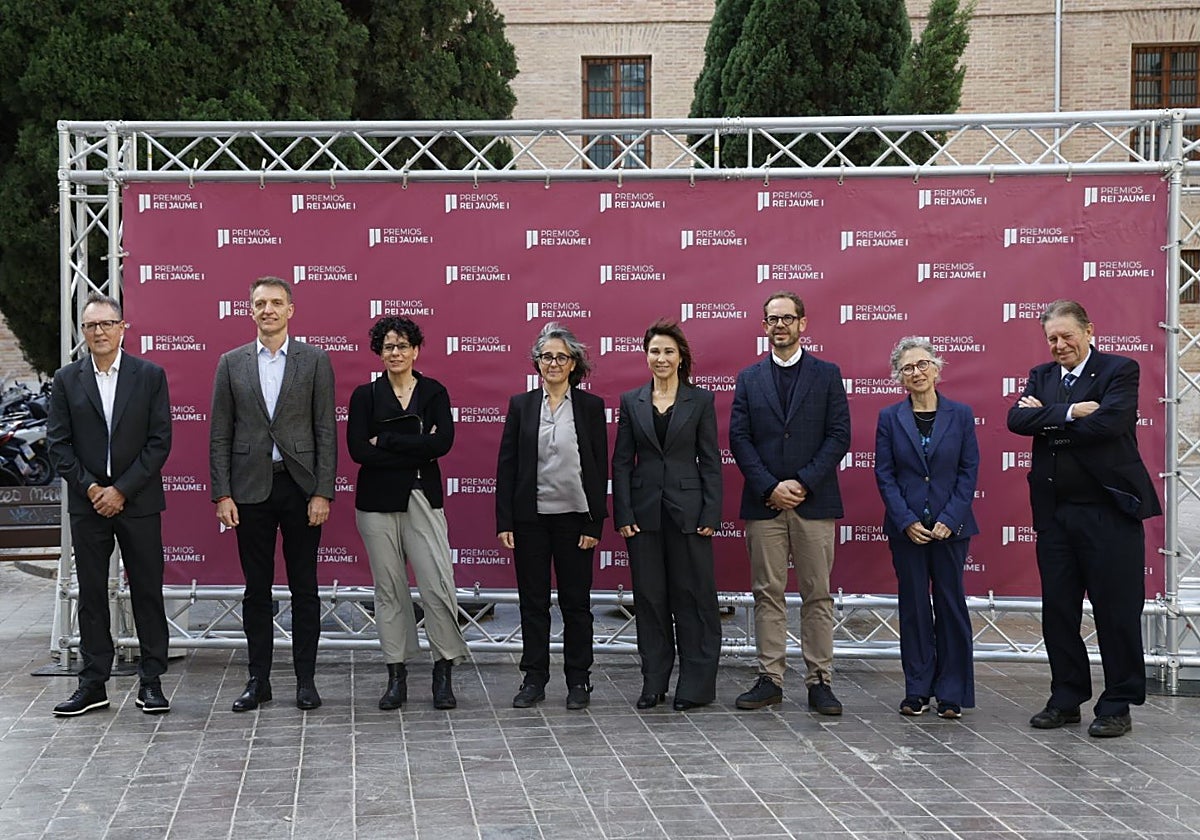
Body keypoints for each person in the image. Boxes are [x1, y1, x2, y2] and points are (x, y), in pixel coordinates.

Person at [1007, 299, 1161, 739]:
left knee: (1116, 612)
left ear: (1089, 330)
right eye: (1051, 338)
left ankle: (1117, 703)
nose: (1059, 345)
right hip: (1055, 515)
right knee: (1059, 611)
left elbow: (1109, 426)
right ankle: (1066, 697)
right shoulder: (1042, 376)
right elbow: (1018, 419)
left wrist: (1048, 420)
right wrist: (1072, 412)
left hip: (1110, 511)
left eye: (1066, 336)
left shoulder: (1119, 369)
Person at [210, 276, 337, 712]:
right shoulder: (231, 362)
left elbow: (325, 431)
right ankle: (258, 680)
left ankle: (306, 681)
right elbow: (219, 435)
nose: (268, 309)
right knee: (256, 591)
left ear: (290, 310)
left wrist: (323, 492)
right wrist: (221, 494)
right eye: (260, 303)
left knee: (306, 589)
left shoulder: (315, 361)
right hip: (249, 490)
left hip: (300, 487)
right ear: (250, 310)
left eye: (276, 303)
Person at [47, 292, 173, 717]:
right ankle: (93, 682)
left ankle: (151, 681)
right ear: (83, 333)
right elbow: (59, 445)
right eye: (90, 326)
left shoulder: (150, 375)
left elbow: (159, 442)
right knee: (92, 596)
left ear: (123, 328)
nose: (99, 332)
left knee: (147, 591)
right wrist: (92, 490)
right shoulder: (66, 379)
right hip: (89, 506)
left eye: (106, 324)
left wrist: (121, 490)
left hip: (137, 503)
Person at [729, 292, 850, 714]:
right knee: (768, 593)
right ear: (764, 326)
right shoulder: (748, 378)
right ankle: (770, 678)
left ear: (803, 323)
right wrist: (770, 486)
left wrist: (801, 482)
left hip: (813, 502)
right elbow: (739, 439)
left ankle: (820, 680)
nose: (779, 325)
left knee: (818, 594)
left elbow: (839, 434)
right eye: (771, 319)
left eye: (787, 318)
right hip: (765, 504)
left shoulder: (827, 374)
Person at [347, 316, 469, 710]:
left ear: (416, 350)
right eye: (388, 347)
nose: (395, 353)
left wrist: (387, 438)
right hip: (377, 503)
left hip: (423, 498)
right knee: (389, 590)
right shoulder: (365, 396)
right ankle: (396, 673)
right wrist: (418, 442)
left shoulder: (434, 392)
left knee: (437, 585)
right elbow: (357, 451)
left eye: (402, 346)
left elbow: (445, 443)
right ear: (379, 353)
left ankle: (443, 671)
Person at [612, 319, 723, 712]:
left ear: (680, 358)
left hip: (690, 514)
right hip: (643, 517)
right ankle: (653, 682)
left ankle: (695, 686)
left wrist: (712, 510)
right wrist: (622, 511)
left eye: (668, 352)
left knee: (693, 599)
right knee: (650, 599)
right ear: (646, 357)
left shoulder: (701, 401)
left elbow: (711, 461)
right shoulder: (631, 401)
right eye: (655, 351)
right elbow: (622, 462)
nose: (661, 358)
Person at [496, 322, 607, 711]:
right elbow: (507, 466)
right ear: (537, 363)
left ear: (574, 363)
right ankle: (534, 678)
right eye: (547, 357)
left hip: (576, 520)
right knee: (533, 603)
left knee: (577, 604)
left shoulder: (591, 408)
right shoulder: (522, 405)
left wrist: (596, 523)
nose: (554, 363)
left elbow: (599, 468)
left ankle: (579, 681)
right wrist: (505, 521)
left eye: (561, 357)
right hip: (531, 521)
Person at [873, 337, 978, 720]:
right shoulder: (889, 418)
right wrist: (907, 521)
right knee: (914, 608)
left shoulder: (962, 415)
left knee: (951, 606)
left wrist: (950, 519)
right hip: (908, 531)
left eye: (922, 364)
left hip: (953, 530)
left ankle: (951, 693)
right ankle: (917, 689)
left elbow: (968, 472)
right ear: (898, 377)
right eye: (907, 368)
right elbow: (884, 474)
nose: (915, 372)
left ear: (937, 368)